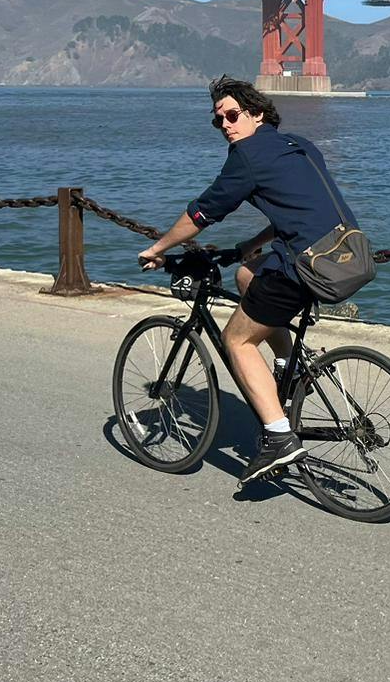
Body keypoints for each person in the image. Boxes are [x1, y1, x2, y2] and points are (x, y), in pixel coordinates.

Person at [138, 75, 361, 484]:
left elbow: (201, 214)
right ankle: (287, 366)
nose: (225, 125)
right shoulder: (301, 145)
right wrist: (247, 247)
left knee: (236, 340)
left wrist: (158, 248)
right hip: (347, 253)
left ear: (257, 113)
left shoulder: (246, 155)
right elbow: (295, 212)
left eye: (233, 115)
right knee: (247, 275)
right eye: (218, 120)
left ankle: (279, 438)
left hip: (306, 265)